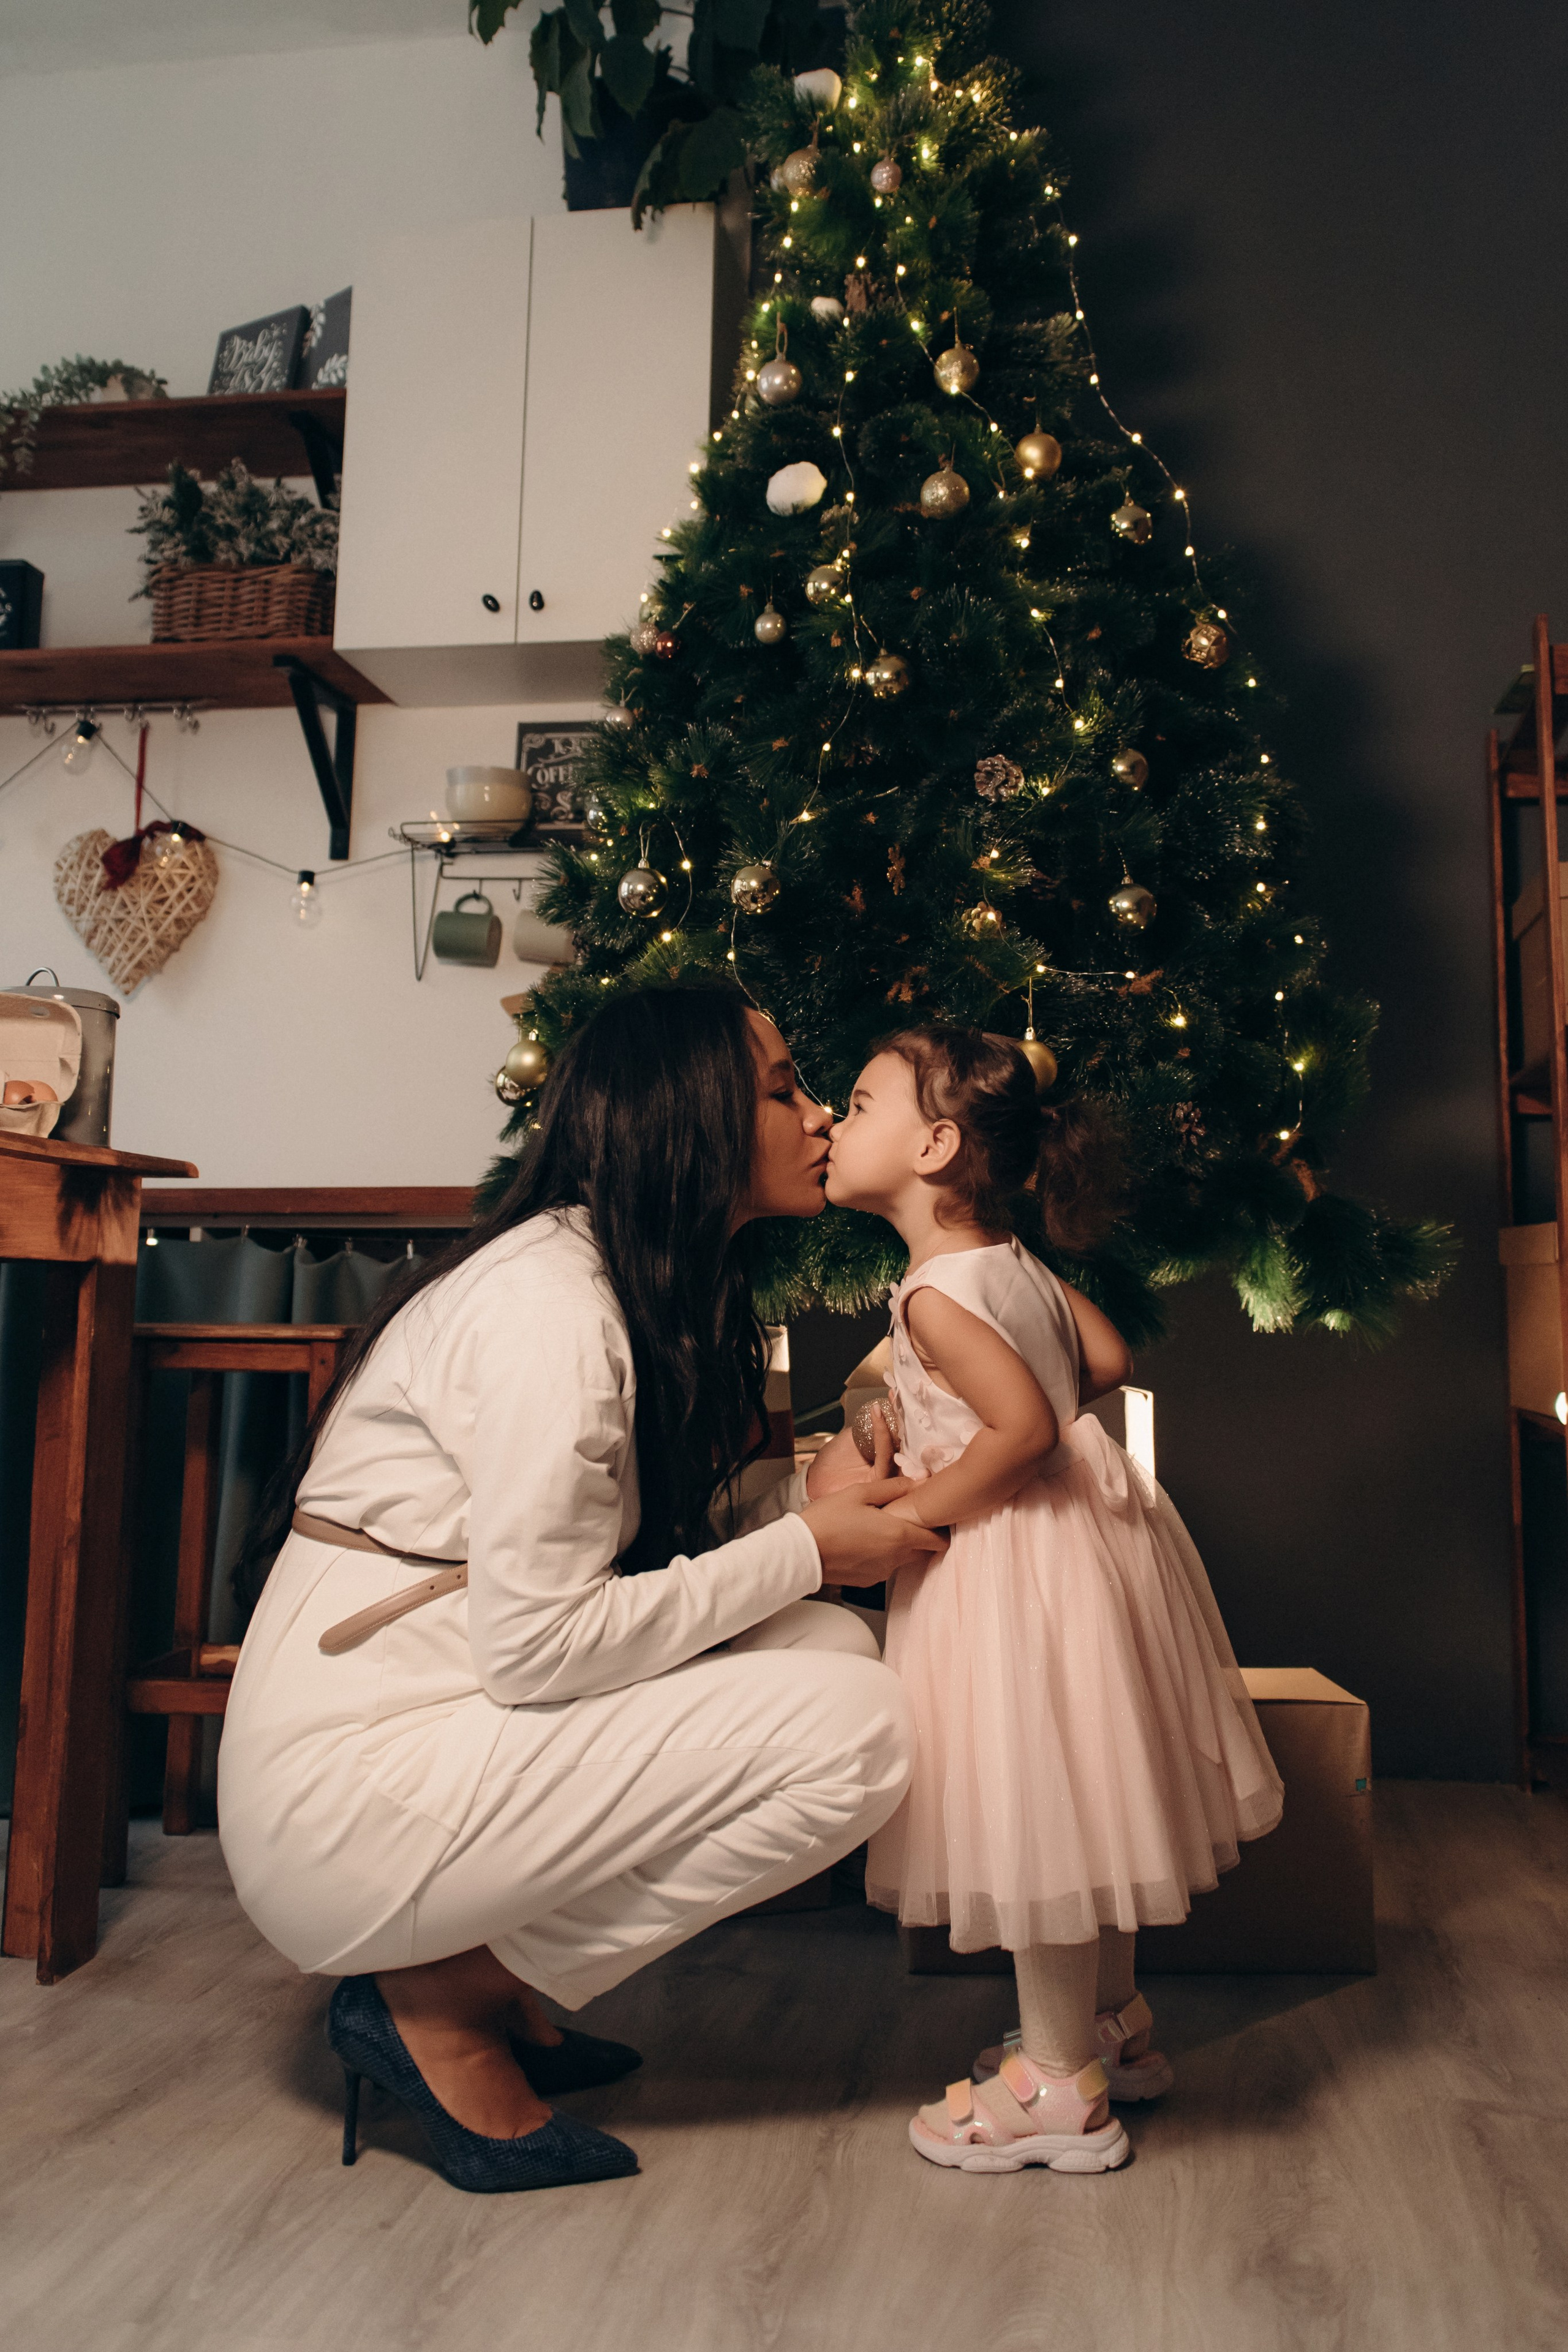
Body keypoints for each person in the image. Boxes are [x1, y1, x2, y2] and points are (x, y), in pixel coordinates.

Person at [219, 988, 942, 2195]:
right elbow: (542, 1647)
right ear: (692, 1119)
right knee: (856, 1735)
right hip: (345, 1801)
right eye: (782, 1090)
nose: (816, 1117)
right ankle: (443, 1998)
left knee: (825, 1649)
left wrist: (809, 1512)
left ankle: (474, 1977)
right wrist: (812, 1545)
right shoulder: (548, 1313)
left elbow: (636, 1565)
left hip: (431, 1732)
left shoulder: (613, 1277)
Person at [820, 1025, 1283, 2175]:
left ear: (934, 1147)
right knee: (1092, 1798)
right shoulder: (1014, 1263)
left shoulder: (932, 1297)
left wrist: (921, 1510)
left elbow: (1024, 1434)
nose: (832, 1119)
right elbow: (1109, 1359)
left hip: (1009, 1570)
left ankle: (1056, 2090)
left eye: (859, 1102)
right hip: (1092, 1557)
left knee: (1033, 1815)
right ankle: (1110, 2027)